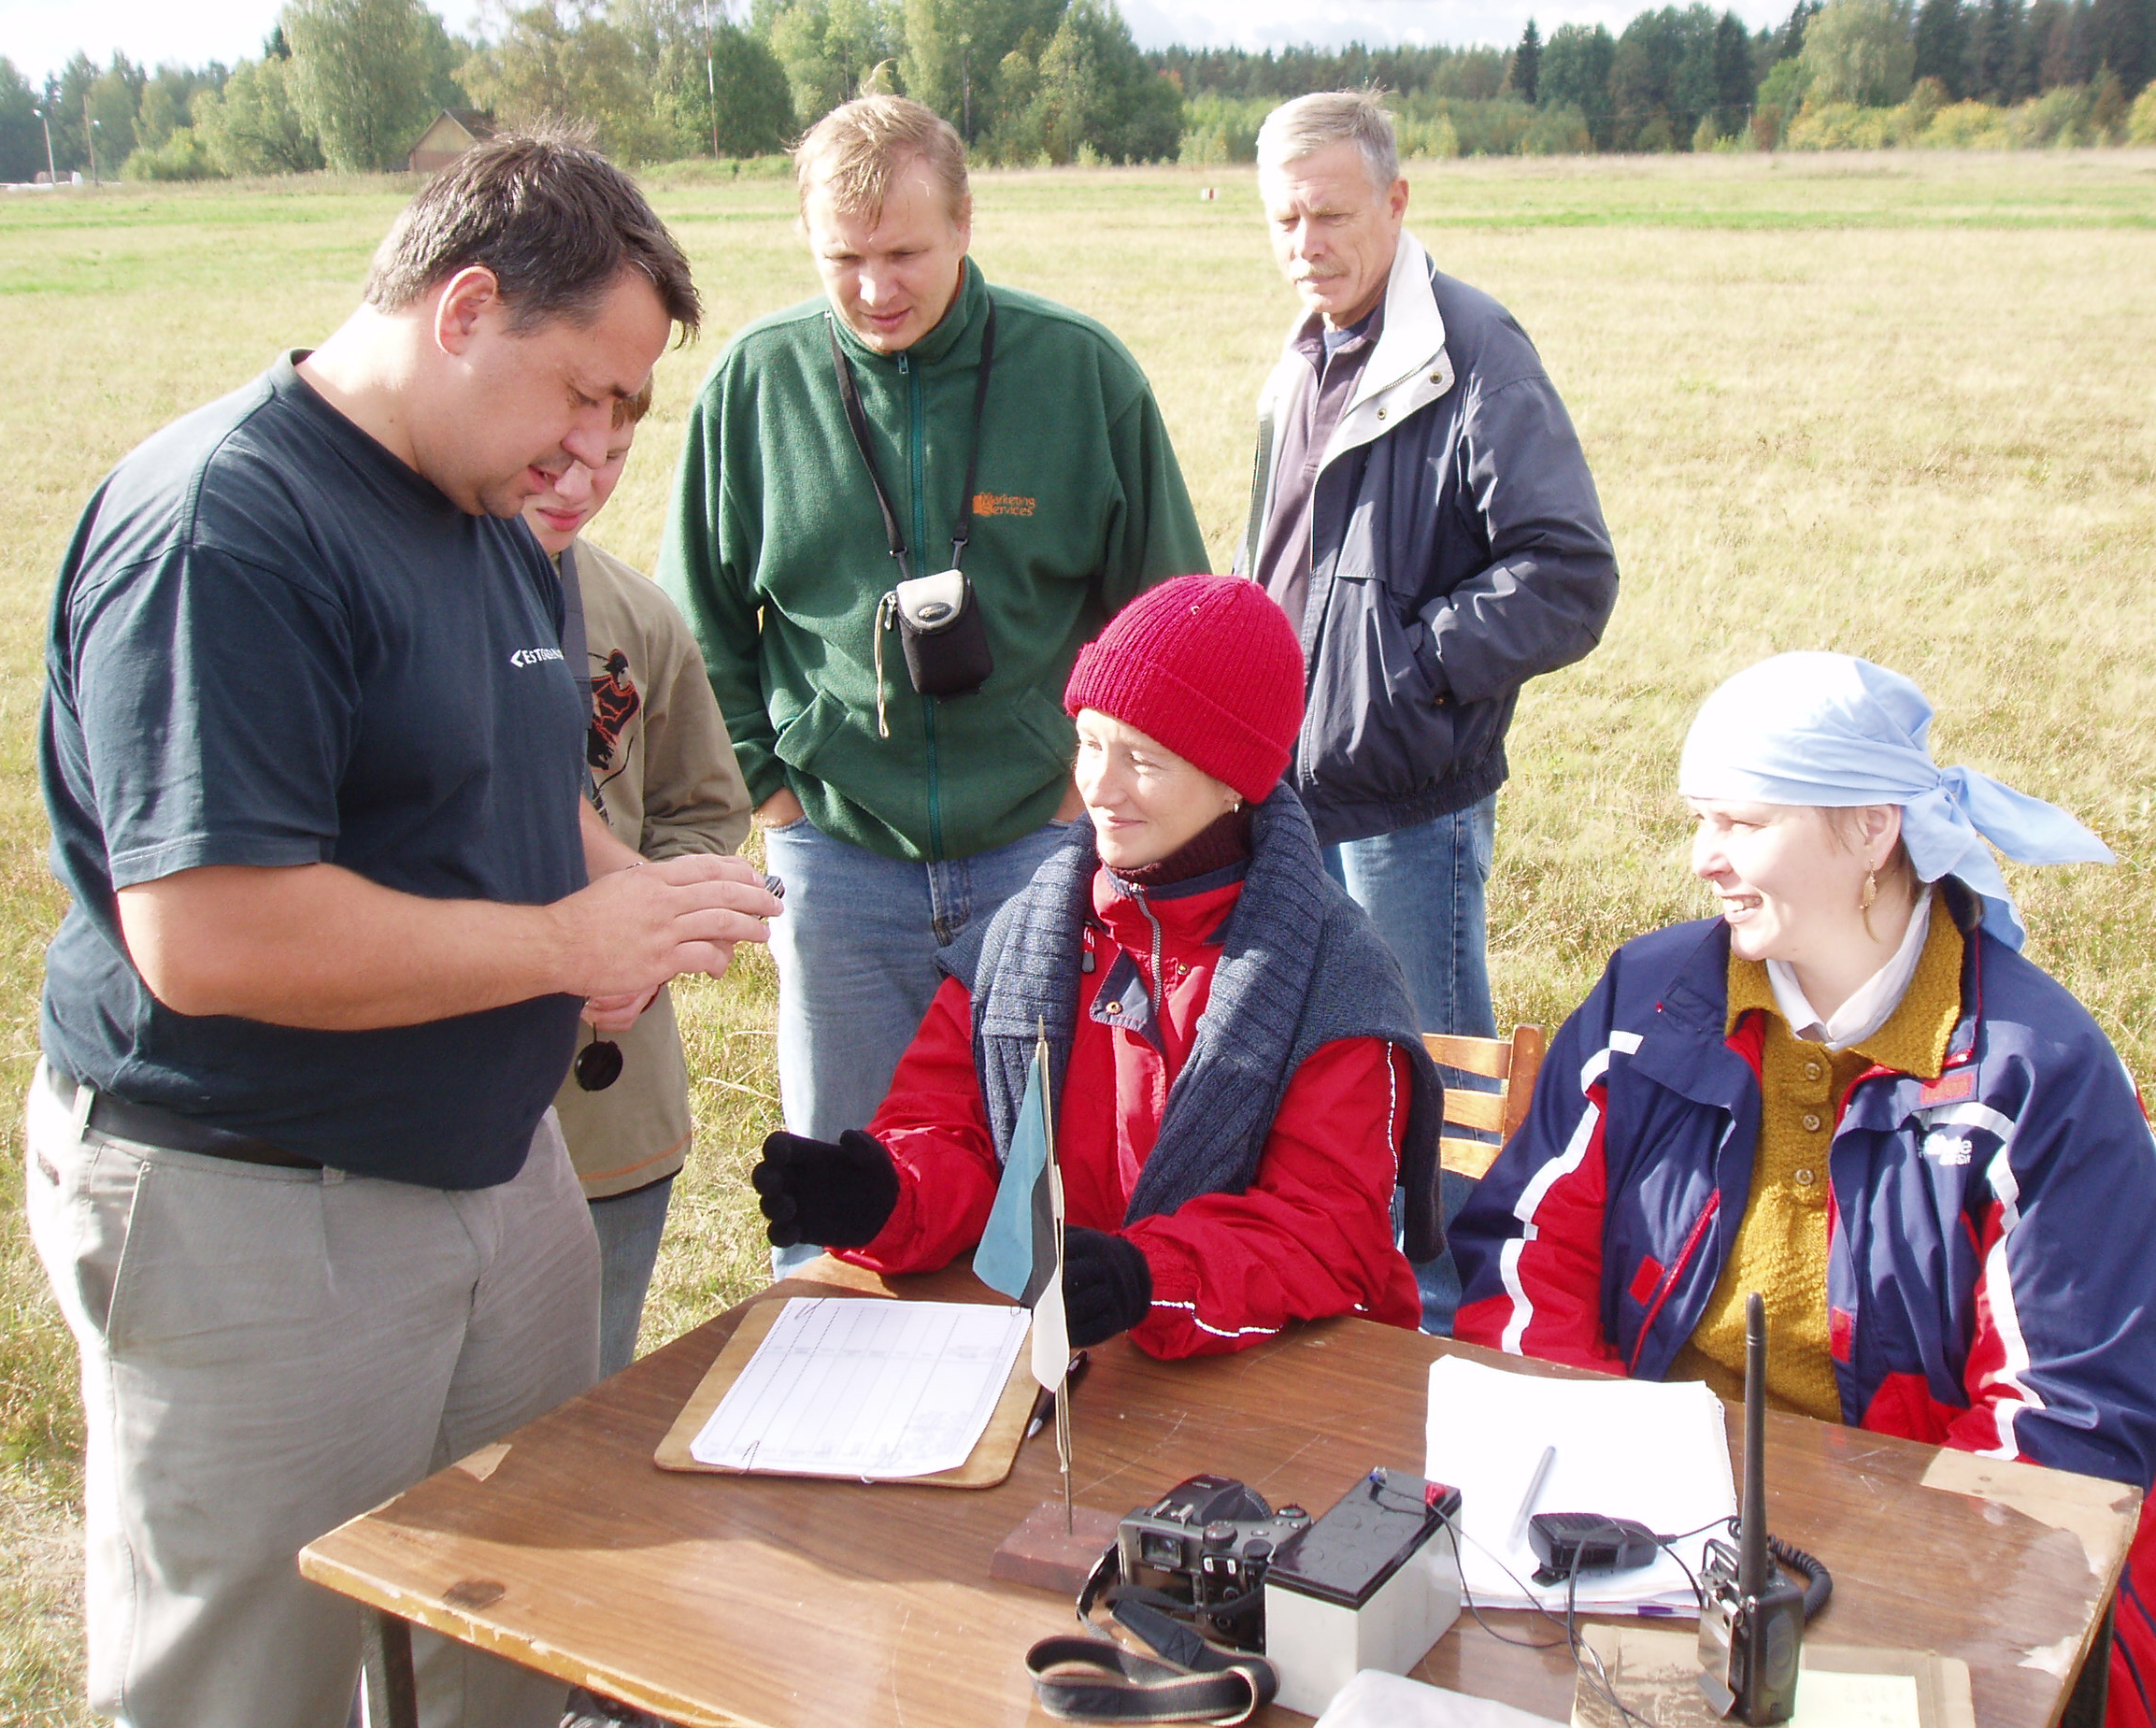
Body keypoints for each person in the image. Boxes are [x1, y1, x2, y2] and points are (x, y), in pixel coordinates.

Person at [27, 131, 781, 1728]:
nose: (594, 446)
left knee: (502, 1624)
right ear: (465, 308)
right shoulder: (229, 528)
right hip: (258, 1204)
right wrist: (568, 940)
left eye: (626, 412)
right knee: (257, 1683)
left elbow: (515, 780)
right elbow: (212, 934)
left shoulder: (488, 513)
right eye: (585, 390)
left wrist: (628, 901)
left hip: (492, 1171)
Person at [1451, 653, 2156, 1728]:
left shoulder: (2036, 1081)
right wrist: (1609, 1476)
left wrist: (1863, 1566)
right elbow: (1526, 1250)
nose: (1702, 859)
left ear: (1870, 831)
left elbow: (2066, 1424)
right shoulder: (1647, 1004)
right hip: (1655, 1530)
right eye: (1699, 821)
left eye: (1740, 825)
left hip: (1927, 1553)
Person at [661, 94, 1209, 1277]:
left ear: (965, 222)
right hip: (839, 865)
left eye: (903, 253)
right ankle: (824, 1437)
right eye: (841, 261)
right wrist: (777, 809)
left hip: (1042, 853)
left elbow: (1163, 619)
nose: (873, 290)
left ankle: (1044, 1416)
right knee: (842, 1200)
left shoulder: (1079, 375)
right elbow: (699, 630)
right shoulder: (754, 388)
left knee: (1063, 1185)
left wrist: (1084, 817)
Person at [749, 576, 1444, 1354]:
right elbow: (958, 1133)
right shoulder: (1026, 939)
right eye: (1087, 742)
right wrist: (885, 1195)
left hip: (1289, 1385)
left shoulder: (1333, 981)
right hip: (1093, 1367)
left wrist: (1150, 1276)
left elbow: (1325, 1231)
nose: (1099, 788)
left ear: (1235, 782)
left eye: (1142, 760)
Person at [1240, 89, 1618, 1334]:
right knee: (1327, 1061)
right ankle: (1361, 1284)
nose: (1308, 243)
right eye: (1286, 218)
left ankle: (1459, 1322)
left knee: (1432, 1064)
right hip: (1292, 792)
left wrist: (1409, 666)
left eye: (1333, 214)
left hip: (1407, 801)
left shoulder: (1469, 349)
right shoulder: (1300, 361)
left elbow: (1570, 570)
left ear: (1398, 203)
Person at [521, 378, 752, 1378]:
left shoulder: (639, 618)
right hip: (454, 1076)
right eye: (556, 459)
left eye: (610, 463)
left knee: (586, 1380)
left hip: (610, 1093)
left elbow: (704, 809)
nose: (580, 486)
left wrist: (653, 932)